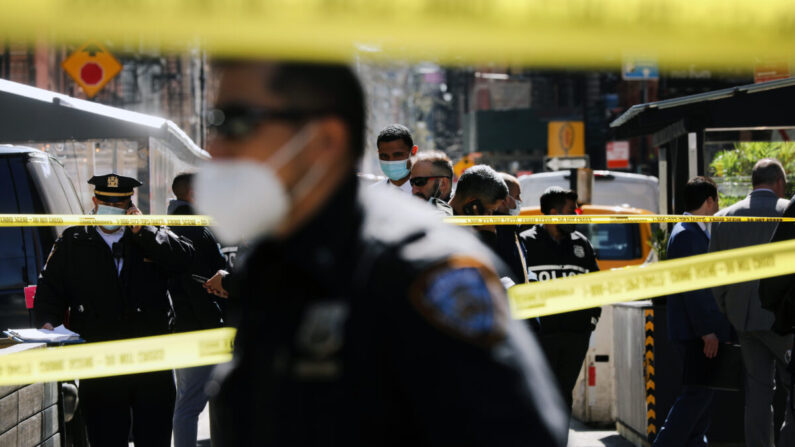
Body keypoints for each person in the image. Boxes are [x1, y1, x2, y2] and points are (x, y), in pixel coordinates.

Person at [194, 61, 568, 446]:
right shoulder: (273, 263)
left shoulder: (422, 266)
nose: (215, 147)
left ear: (326, 140)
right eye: (214, 122)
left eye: (236, 123)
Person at [33, 173, 194, 447]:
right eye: (106, 203)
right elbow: (49, 290)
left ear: (130, 206)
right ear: (94, 201)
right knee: (105, 437)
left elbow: (185, 257)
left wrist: (143, 232)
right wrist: (49, 323)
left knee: (154, 437)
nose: (112, 211)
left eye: (119, 205)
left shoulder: (148, 232)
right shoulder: (74, 241)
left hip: (150, 359)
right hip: (101, 358)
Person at [709, 158, 794, 446]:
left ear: (753, 183)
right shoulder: (788, 212)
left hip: (744, 320)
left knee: (757, 394)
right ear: (780, 183)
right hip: (785, 320)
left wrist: (729, 310)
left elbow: (715, 276)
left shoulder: (723, 218)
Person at [653, 176, 732, 447]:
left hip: (697, 332)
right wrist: (707, 331)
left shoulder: (694, 231)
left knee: (702, 402)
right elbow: (694, 289)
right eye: (716, 200)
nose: (718, 206)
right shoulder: (687, 234)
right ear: (709, 201)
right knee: (696, 397)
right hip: (696, 334)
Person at [519, 186, 601, 416]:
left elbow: (596, 282)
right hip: (540, 337)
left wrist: (592, 318)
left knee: (564, 395)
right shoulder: (526, 242)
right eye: (570, 211)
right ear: (553, 212)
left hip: (575, 336)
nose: (575, 216)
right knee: (540, 395)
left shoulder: (581, 243)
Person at [167, 173, 228, 447]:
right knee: (191, 405)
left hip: (182, 326)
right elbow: (203, 287)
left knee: (187, 404)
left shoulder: (170, 226)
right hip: (202, 330)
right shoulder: (196, 230)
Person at [449, 164, 509, 250]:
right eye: (489, 211)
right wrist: (487, 237)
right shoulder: (445, 232)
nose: (490, 219)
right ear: (473, 205)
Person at [371, 124, 417, 193]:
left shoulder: (425, 196)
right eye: (384, 156)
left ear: (413, 152)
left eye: (398, 155)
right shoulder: (371, 194)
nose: (390, 161)